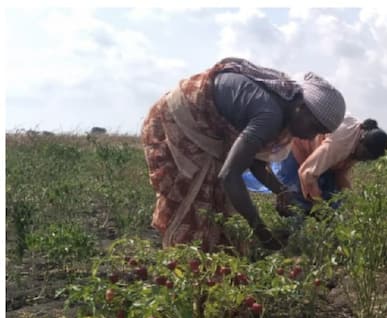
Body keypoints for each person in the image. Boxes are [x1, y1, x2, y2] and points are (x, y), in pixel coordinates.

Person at [141, 57, 346, 252]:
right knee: (196, 197)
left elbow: (254, 160)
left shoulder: (283, 109)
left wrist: (281, 191)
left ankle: (209, 264)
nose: (312, 135)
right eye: (314, 126)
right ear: (301, 108)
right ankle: (183, 262)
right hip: (177, 123)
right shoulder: (270, 115)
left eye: (320, 132)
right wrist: (262, 232)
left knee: (215, 202)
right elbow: (230, 175)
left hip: (208, 134)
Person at [272, 115, 387, 216]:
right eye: (364, 154)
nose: (363, 159)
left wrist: (352, 204)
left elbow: (340, 173)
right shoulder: (341, 143)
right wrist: (320, 207)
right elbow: (306, 173)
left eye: (368, 159)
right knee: (296, 199)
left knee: (334, 199)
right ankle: (290, 233)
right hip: (298, 147)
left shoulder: (359, 146)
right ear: (361, 140)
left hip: (319, 155)